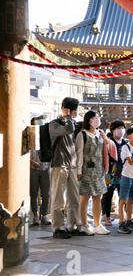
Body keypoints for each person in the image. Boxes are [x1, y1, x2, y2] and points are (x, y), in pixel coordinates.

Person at [49, 97, 84, 239]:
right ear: (69, 110)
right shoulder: (54, 124)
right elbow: (67, 130)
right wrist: (67, 116)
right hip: (59, 164)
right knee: (58, 199)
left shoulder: (74, 124)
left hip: (72, 165)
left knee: (74, 198)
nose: (76, 113)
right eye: (75, 111)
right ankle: (58, 227)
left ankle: (72, 225)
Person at [76, 110, 111, 235]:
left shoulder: (100, 134)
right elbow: (79, 154)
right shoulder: (82, 135)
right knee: (84, 197)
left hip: (98, 171)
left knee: (98, 197)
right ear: (89, 120)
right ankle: (84, 224)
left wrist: (105, 138)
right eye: (96, 118)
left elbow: (106, 149)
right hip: (86, 170)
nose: (98, 120)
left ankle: (97, 224)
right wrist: (78, 171)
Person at [101, 120, 127, 226]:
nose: (120, 130)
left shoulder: (126, 143)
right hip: (110, 173)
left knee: (123, 194)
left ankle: (123, 215)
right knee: (108, 195)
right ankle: (107, 216)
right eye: (118, 128)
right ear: (113, 130)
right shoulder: (109, 142)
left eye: (122, 128)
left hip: (123, 173)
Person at [30, 116, 51, 226]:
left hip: (46, 167)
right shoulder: (29, 136)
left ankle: (45, 215)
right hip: (33, 168)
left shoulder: (47, 136)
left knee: (46, 193)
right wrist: (31, 162)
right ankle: (35, 216)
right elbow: (24, 152)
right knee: (33, 193)